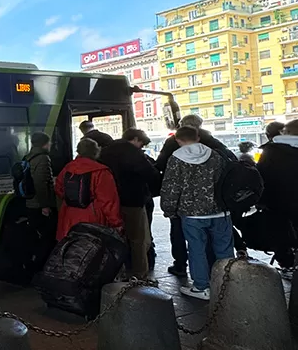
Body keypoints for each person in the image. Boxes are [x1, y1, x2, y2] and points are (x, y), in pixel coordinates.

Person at [155, 114, 236, 278]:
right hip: (219, 208)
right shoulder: (215, 151)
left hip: (190, 211)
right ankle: (226, 283)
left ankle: (199, 283)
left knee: (195, 247)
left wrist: (169, 209)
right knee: (223, 248)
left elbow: (171, 185)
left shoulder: (175, 155)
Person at [99, 128, 160, 279]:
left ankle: (118, 272)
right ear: (135, 140)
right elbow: (150, 174)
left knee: (116, 237)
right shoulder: (134, 153)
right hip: (133, 200)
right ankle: (140, 274)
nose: (141, 147)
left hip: (111, 202)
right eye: (141, 144)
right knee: (138, 239)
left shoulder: (105, 152)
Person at [54, 138, 123, 241]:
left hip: (69, 216)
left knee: (71, 250)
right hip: (92, 217)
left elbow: (59, 189)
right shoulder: (101, 171)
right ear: (96, 152)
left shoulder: (68, 168)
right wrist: (116, 223)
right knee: (91, 251)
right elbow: (108, 201)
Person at [256, 118, 298, 275]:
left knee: (281, 233)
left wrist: (261, 200)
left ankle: (286, 264)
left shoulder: (272, 151)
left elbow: (261, 176)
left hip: (277, 202)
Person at [24, 132, 57, 262]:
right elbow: (41, 183)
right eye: (49, 142)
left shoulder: (27, 157)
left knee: (35, 235)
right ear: (45, 144)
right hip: (39, 205)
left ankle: (33, 261)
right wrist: (45, 206)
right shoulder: (43, 158)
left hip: (30, 202)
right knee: (46, 236)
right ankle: (42, 263)